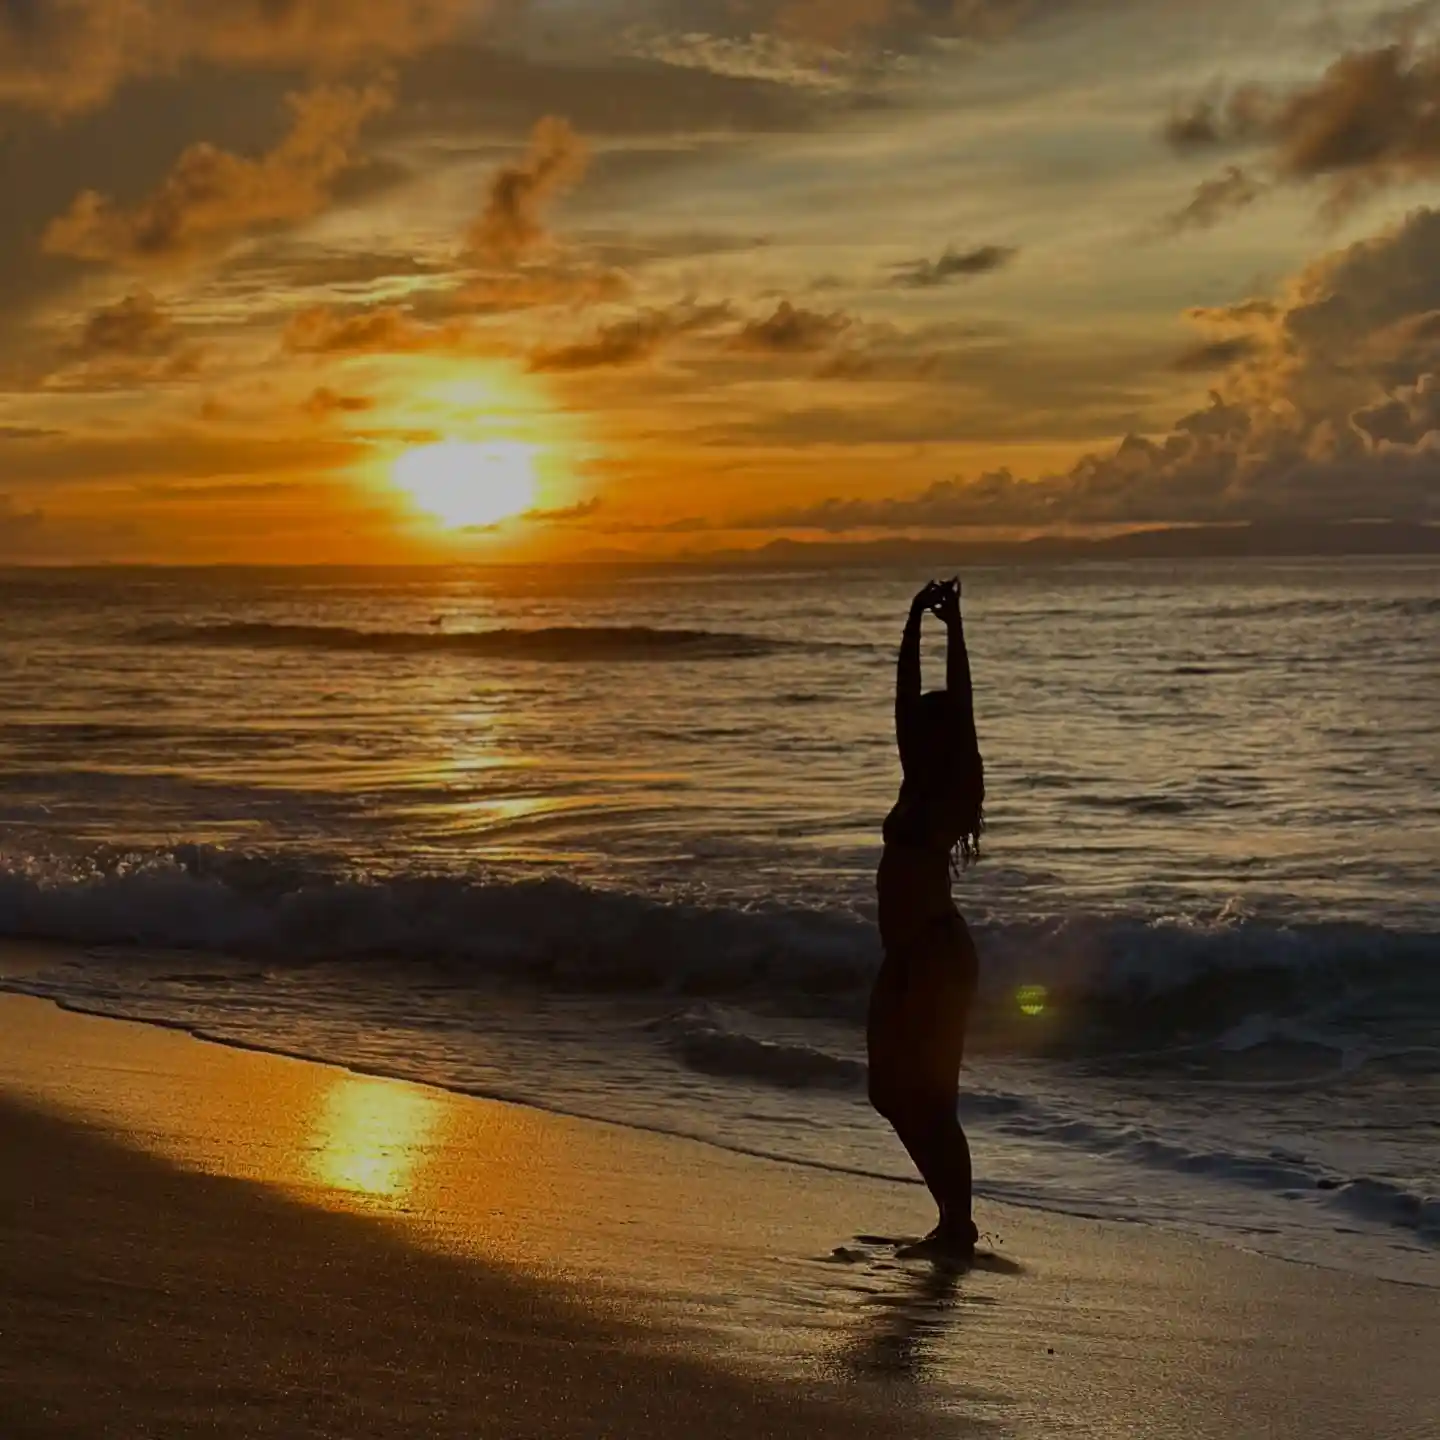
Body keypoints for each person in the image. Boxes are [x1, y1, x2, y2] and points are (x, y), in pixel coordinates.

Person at [868, 577, 985, 1259]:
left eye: (934, 722)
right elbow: (905, 696)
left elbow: (960, 702)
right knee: (887, 1090)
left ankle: (957, 1224)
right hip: (904, 956)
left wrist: (955, 628)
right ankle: (950, 1217)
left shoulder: (954, 789)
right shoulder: (915, 781)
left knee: (935, 1097)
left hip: (937, 957)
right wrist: (914, 621)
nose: (920, 723)